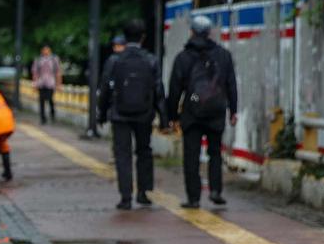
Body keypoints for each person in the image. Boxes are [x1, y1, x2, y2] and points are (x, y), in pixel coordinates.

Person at [167, 14, 238, 208]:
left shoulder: (183, 57)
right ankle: (215, 190)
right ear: (209, 33)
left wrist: (171, 116)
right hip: (216, 110)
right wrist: (233, 110)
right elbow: (231, 84)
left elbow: (175, 89)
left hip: (192, 110)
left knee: (191, 155)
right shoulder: (224, 55)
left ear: (191, 32)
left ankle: (193, 197)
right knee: (215, 152)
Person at [97, 18, 166, 210]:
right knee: (144, 151)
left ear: (125, 38)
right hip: (144, 113)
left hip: (119, 114)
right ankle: (143, 193)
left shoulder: (114, 60)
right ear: (143, 37)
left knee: (122, 154)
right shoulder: (150, 59)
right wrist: (164, 118)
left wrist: (101, 114)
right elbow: (158, 89)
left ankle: (125, 196)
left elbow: (105, 89)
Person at [31, 44, 62, 125]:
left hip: (51, 83)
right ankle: (42, 118)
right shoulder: (38, 60)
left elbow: (58, 72)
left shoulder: (54, 59)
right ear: (42, 51)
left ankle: (52, 115)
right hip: (41, 83)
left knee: (50, 99)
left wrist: (59, 84)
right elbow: (35, 73)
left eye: (47, 50)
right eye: (44, 50)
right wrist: (34, 84)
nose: (45, 51)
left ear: (50, 50)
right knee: (41, 101)